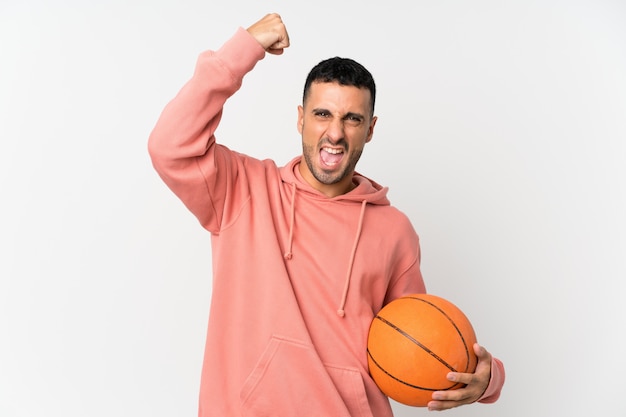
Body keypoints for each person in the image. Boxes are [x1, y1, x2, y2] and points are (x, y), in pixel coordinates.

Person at [148, 12, 505, 417]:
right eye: (322, 114)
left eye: (351, 119)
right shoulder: (242, 189)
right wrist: (241, 50)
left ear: (370, 129)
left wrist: (486, 380)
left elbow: (421, 341)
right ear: (300, 118)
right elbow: (169, 146)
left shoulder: (394, 230)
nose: (335, 133)